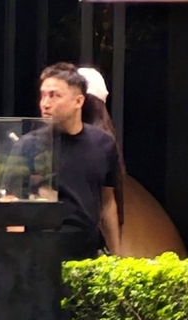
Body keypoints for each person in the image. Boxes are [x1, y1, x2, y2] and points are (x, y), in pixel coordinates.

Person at [39, 62, 122, 258]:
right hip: (42, 254)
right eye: (43, 95)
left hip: (87, 253)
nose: (45, 103)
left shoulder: (103, 144)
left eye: (54, 95)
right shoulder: (29, 146)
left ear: (79, 101)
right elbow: (11, 204)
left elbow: (108, 203)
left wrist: (117, 256)